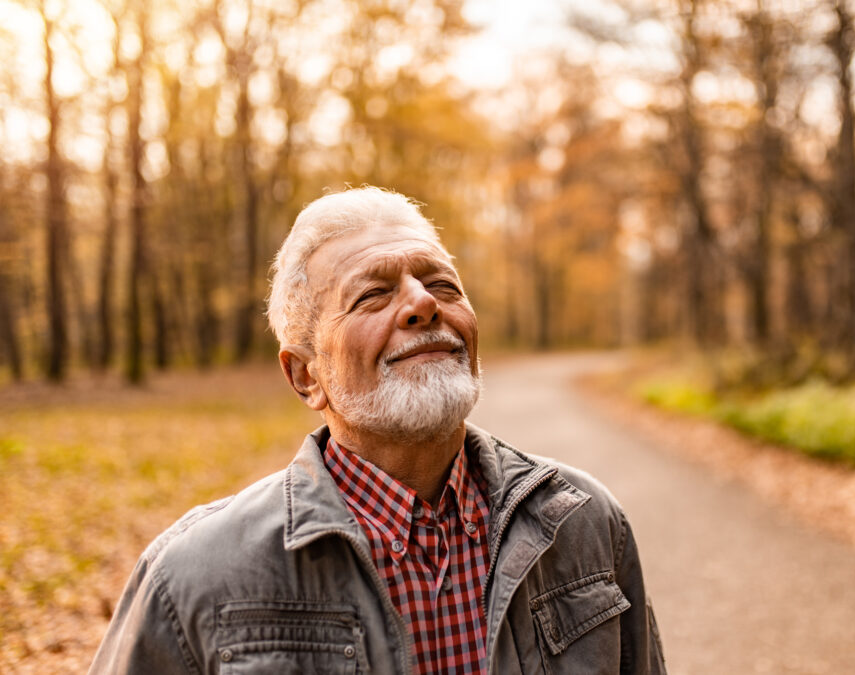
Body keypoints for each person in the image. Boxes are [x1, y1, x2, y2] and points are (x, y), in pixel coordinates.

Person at [90, 187, 666, 674]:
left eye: (442, 285)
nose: (422, 304)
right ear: (306, 376)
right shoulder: (192, 576)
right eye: (372, 295)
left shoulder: (586, 524)